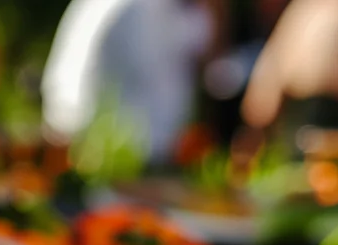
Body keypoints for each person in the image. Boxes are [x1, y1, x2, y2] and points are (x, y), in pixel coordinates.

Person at [41, 0, 220, 163]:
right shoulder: (153, 13)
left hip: (76, 139)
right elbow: (212, 57)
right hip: (123, 156)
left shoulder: (99, 6)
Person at [242, 0, 338, 130]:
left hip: (310, 114)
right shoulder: (305, 10)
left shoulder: (303, 9)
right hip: (308, 117)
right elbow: (260, 105)